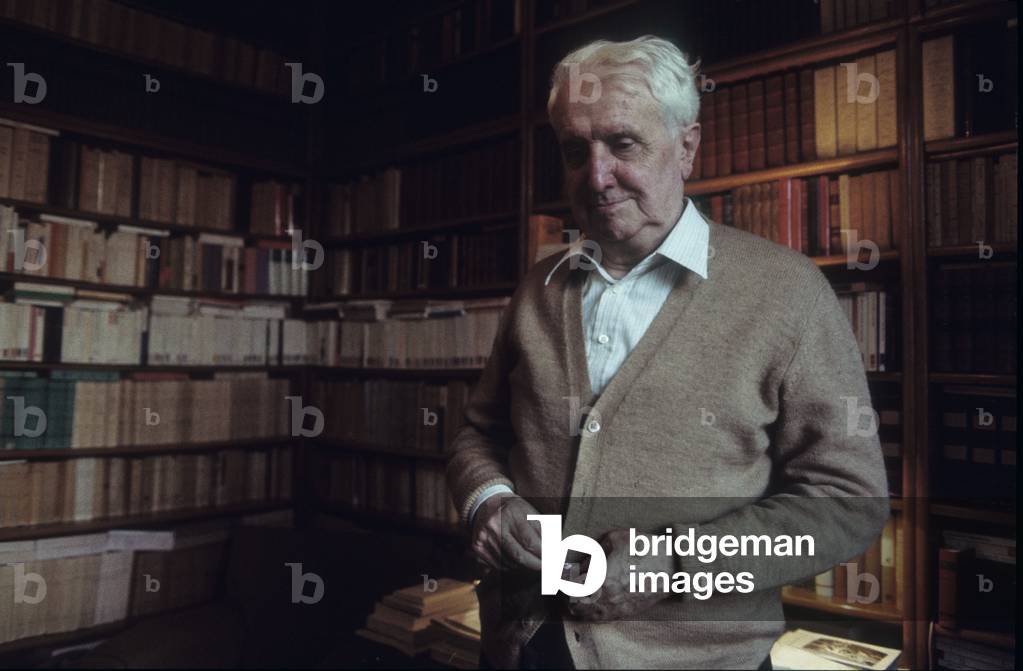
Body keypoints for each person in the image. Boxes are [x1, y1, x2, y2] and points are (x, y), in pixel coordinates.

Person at [447, 35, 889, 669]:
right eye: (576, 151)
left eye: (623, 143)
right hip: (523, 648)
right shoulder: (537, 288)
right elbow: (476, 435)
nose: (596, 177)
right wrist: (486, 499)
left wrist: (673, 567)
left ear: (687, 148)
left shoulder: (789, 294)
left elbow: (849, 502)